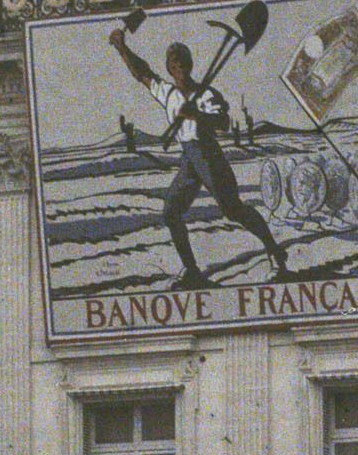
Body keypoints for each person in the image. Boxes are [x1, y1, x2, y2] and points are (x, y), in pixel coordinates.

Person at [108, 26, 288, 287]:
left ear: (190, 65)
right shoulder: (168, 93)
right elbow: (142, 73)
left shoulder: (206, 94)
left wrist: (198, 116)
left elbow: (223, 123)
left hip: (209, 155)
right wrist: (121, 47)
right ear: (170, 69)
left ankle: (275, 252)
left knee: (233, 210)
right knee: (171, 212)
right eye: (174, 65)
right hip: (189, 158)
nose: (179, 68)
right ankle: (192, 271)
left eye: (183, 63)